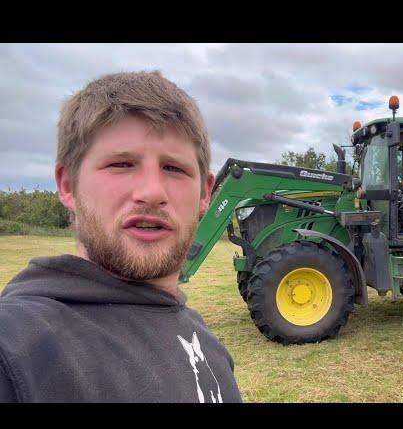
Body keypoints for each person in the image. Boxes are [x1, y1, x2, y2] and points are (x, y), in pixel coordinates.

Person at [0, 71, 242, 403]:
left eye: (173, 168)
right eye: (121, 164)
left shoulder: (209, 348)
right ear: (67, 184)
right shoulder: (18, 349)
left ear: (205, 193)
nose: (152, 192)